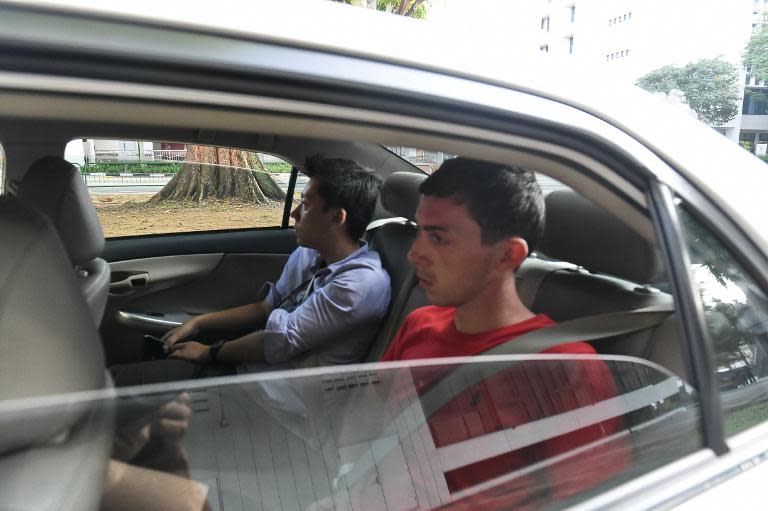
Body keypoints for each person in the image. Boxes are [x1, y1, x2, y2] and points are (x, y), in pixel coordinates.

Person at [380, 158, 629, 505]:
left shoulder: (566, 366)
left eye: (439, 237)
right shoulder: (419, 323)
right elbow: (375, 429)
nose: (415, 254)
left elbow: (586, 501)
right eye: (420, 231)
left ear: (507, 255)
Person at [111, 155, 390, 385]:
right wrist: (198, 324)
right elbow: (266, 308)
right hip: (243, 373)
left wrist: (209, 352)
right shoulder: (309, 254)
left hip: (272, 401)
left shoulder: (360, 284)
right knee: (116, 381)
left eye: (305, 205)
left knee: (115, 386)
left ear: (336, 218)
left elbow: (278, 341)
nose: (294, 213)